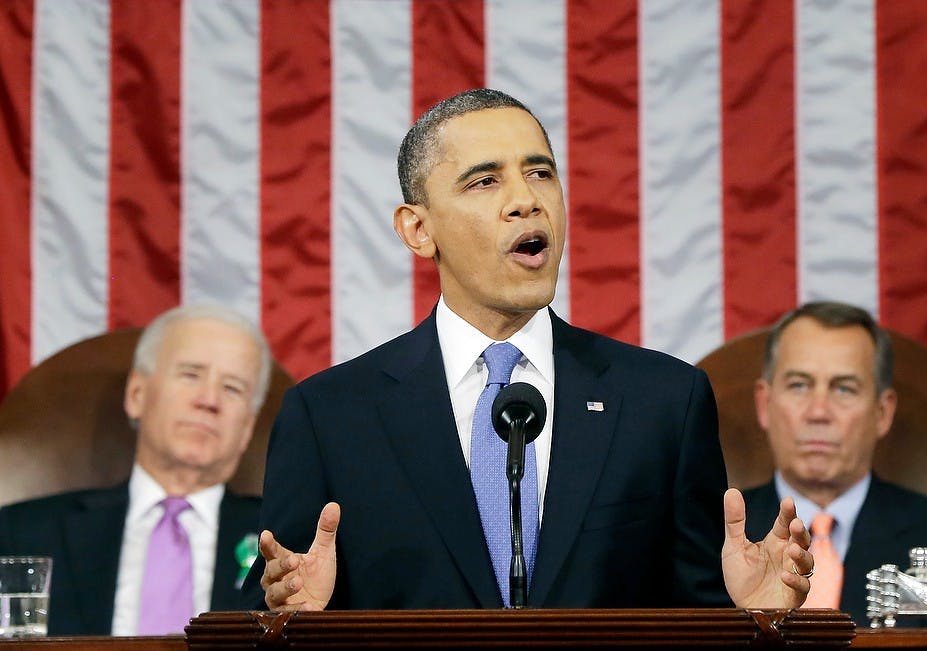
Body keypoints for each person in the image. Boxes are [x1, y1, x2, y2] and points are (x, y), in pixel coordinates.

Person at [242, 88, 813, 613]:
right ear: (418, 229)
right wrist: (293, 625)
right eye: (484, 181)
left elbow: (697, 616)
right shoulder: (329, 417)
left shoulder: (663, 402)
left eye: (540, 173)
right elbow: (270, 607)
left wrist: (755, 618)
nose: (525, 201)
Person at [0, 304, 272, 636]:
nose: (209, 400)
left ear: (247, 427)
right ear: (136, 394)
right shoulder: (22, 534)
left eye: (233, 388)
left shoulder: (283, 548)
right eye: (190, 375)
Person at [742, 301, 927, 624]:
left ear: (883, 412)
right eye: (799, 385)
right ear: (765, 405)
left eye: (845, 388)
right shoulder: (711, 540)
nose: (818, 412)